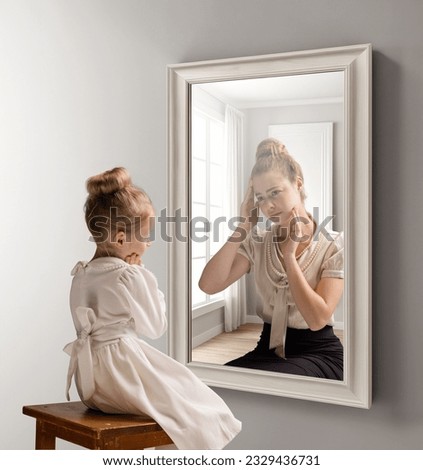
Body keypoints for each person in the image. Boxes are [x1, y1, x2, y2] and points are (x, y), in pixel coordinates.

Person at [64, 167, 241, 450]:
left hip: (91, 385)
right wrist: (145, 276)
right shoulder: (129, 274)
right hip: (120, 376)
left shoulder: (81, 273)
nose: (148, 243)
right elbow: (156, 327)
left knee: (179, 395)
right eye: (146, 237)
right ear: (121, 239)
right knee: (196, 403)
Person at [199, 138, 344, 380]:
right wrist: (244, 224)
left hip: (319, 352)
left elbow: (317, 319)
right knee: (216, 385)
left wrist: (289, 256)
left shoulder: (333, 244)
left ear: (297, 183)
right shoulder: (258, 241)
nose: (268, 206)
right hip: (267, 350)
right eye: (260, 198)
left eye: (275, 193)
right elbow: (209, 285)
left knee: (264, 383)